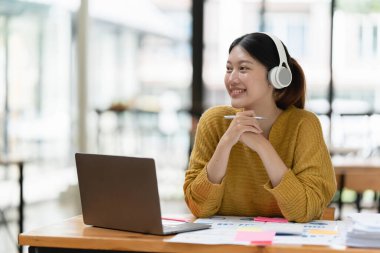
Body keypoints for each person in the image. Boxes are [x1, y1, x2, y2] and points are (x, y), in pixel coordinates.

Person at [183, 32, 337, 222]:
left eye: (243, 68)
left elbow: (304, 210)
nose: (232, 78)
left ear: (277, 76)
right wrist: (225, 145)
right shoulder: (213, 121)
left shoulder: (304, 125)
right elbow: (199, 207)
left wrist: (263, 147)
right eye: (229, 69)